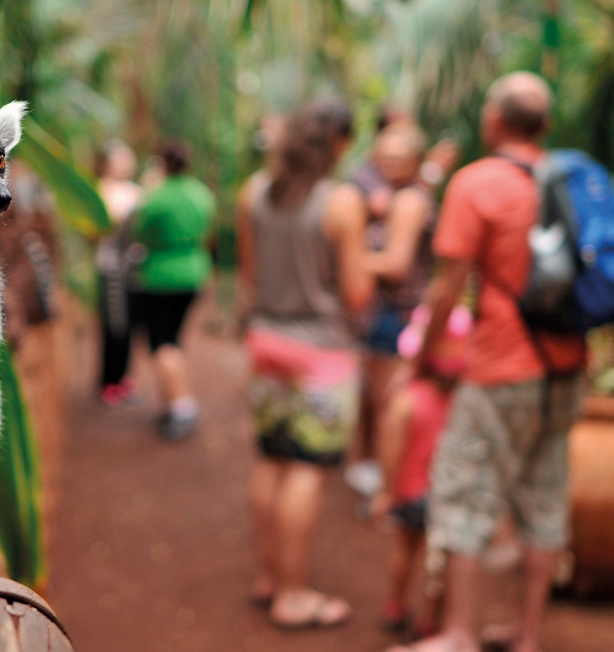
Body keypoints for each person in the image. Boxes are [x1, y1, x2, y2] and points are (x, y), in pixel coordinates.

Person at [393, 71, 588, 652]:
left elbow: (446, 289)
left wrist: (423, 360)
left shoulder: (476, 184)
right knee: (545, 495)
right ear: (546, 126)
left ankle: (458, 634)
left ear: (493, 121)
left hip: (503, 366)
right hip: (567, 367)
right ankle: (528, 635)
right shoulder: (572, 181)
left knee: (463, 491)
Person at [237, 99, 374, 628]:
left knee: (271, 459)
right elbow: (358, 295)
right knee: (306, 468)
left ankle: (269, 576)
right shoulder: (342, 202)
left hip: (266, 344)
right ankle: (293, 595)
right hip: (321, 354)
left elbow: (251, 280)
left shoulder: (254, 193)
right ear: (337, 143)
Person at [346, 122, 438, 499]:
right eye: (383, 156)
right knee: (371, 398)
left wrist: (347, 260)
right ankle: (370, 469)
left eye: (398, 157)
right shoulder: (392, 196)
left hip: (394, 316)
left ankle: (389, 489)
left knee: (387, 405)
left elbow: (396, 264)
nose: (388, 163)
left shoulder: (409, 202)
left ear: (415, 161)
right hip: (379, 315)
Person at [370, 305, 472, 638]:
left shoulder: (406, 400)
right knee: (439, 560)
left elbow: (391, 449)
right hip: (446, 496)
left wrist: (386, 490)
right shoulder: (462, 401)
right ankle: (431, 620)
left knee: (404, 548)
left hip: (410, 494)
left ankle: (395, 603)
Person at [128, 141, 216, 440]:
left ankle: (182, 407)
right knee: (173, 340)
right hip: (194, 271)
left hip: (160, 276)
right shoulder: (201, 193)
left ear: (162, 163)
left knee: (162, 344)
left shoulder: (157, 196)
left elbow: (141, 232)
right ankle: (170, 404)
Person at [94, 140, 144, 406]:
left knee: (129, 326)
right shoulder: (101, 190)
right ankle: (109, 382)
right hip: (112, 268)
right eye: (121, 157)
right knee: (113, 325)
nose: (127, 162)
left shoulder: (136, 190)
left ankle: (123, 377)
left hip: (134, 268)